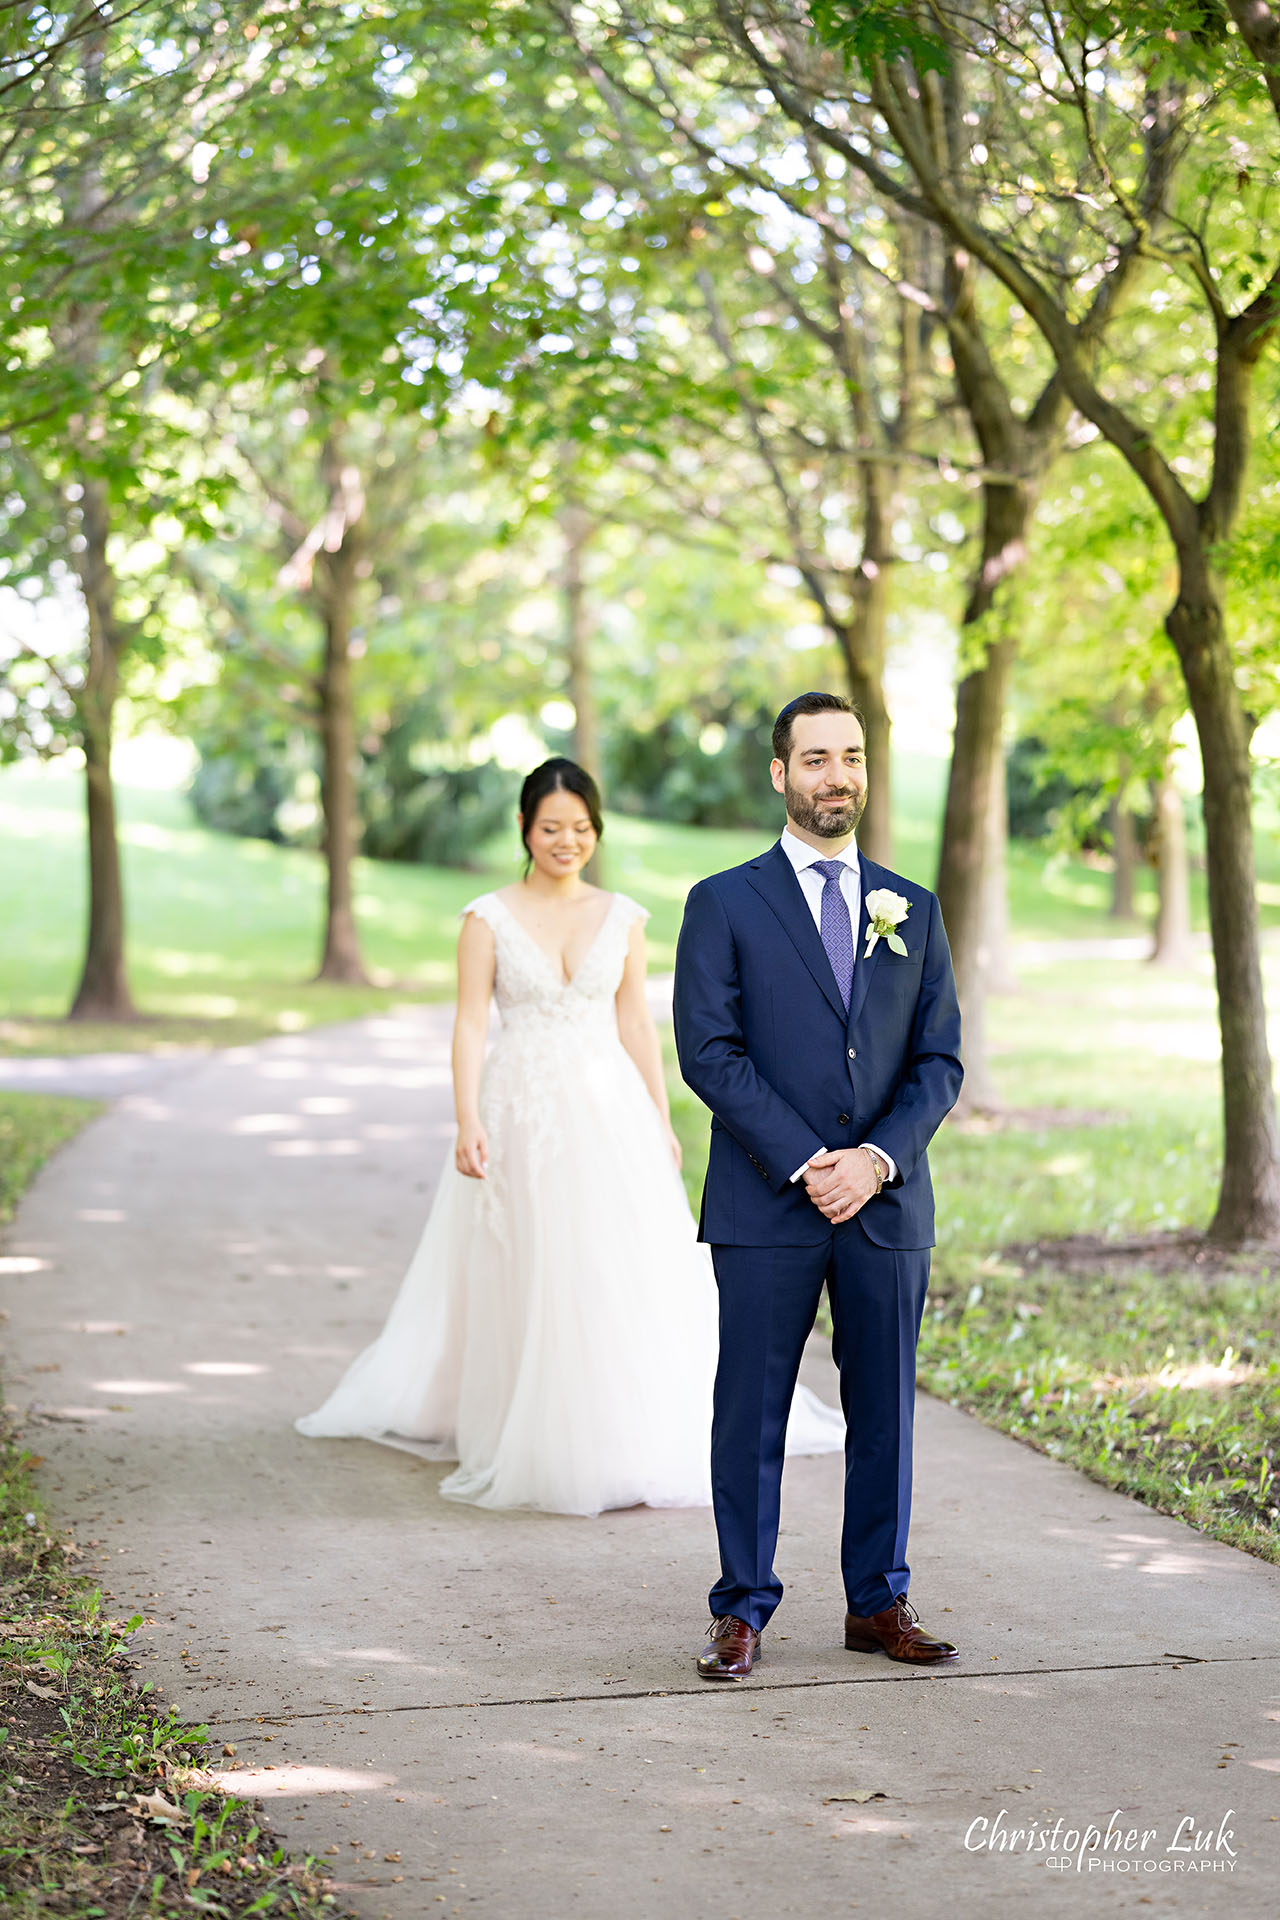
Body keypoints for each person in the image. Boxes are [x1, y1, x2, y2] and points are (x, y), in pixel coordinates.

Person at [296, 755, 843, 1514]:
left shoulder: (621, 916)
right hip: (518, 1109)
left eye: (581, 828)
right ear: (524, 827)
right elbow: (469, 1022)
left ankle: (619, 1424)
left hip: (607, 1108)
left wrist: (659, 1118)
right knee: (529, 1262)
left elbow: (635, 1024)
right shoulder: (486, 918)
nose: (566, 840)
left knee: (610, 1262)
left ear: (596, 831)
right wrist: (466, 1117)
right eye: (551, 827)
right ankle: (524, 1423)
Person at [673, 693, 964, 1678]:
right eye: (812, 758)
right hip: (766, 1202)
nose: (833, 774)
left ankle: (876, 1604)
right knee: (749, 1409)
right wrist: (807, 1162)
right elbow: (707, 1054)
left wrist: (873, 1162)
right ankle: (740, 1609)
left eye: (848, 756)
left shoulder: (911, 908)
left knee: (883, 1410)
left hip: (884, 1205)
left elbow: (937, 1062)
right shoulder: (722, 902)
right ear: (777, 773)